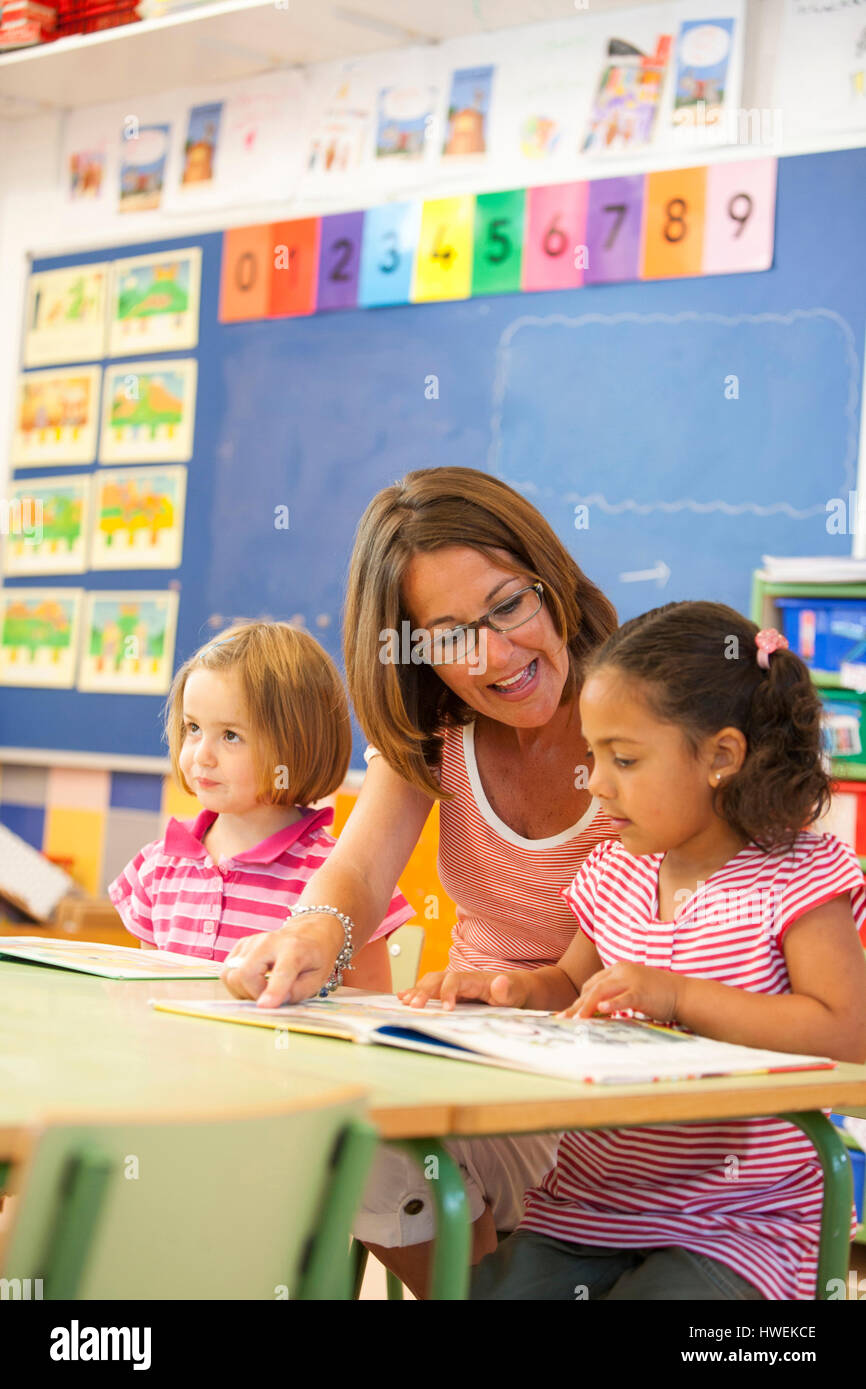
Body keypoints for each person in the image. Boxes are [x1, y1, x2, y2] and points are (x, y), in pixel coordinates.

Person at [223, 467, 620, 1297]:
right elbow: (359, 868)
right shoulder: (439, 735)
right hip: (484, 1067)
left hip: (620, 1075)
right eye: (447, 636)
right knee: (328, 1124)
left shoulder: (641, 710)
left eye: (509, 605)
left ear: (552, 579)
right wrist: (312, 932)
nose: (497, 655)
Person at [450, 602, 866, 1301]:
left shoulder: (799, 876)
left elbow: (848, 1035)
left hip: (740, 1225)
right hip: (590, 1210)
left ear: (722, 757)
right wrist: (512, 990)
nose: (597, 783)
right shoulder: (615, 871)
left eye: (625, 758)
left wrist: (679, 997)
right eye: (592, 756)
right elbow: (570, 983)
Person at [109, 621, 412, 970]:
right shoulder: (158, 865)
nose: (202, 755)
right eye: (193, 728)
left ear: (294, 745)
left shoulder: (340, 880)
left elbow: (366, 1007)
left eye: (230, 735)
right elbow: (145, 992)